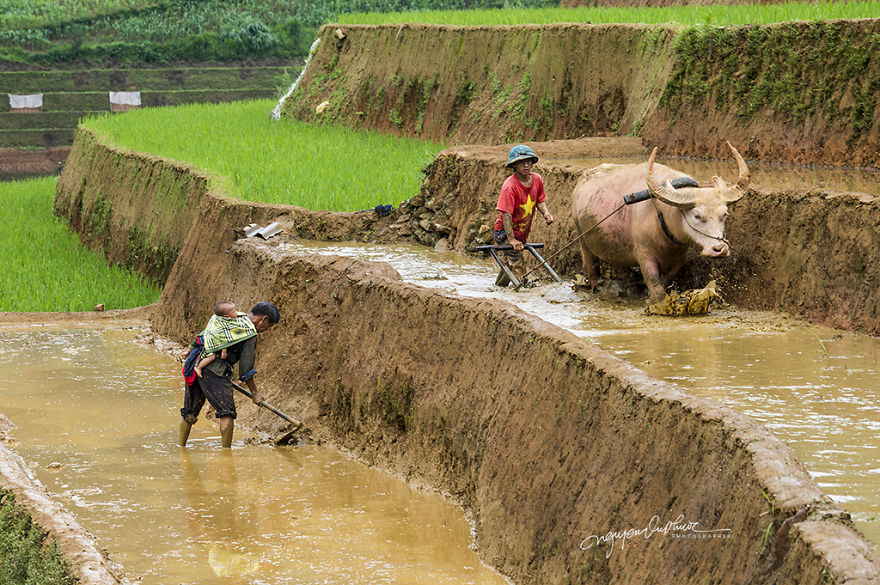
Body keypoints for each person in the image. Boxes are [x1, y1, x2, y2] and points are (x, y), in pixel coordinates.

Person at [179, 301, 281, 448]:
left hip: (195, 363)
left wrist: (189, 350)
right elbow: (246, 370)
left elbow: (205, 333)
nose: (266, 330)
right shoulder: (249, 333)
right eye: (268, 326)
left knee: (189, 414)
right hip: (215, 370)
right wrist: (255, 393)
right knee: (226, 413)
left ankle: (181, 449)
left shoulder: (230, 318)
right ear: (263, 319)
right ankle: (227, 458)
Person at [493, 144, 553, 286]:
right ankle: (524, 289)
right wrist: (511, 239)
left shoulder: (537, 179)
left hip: (520, 231)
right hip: (504, 232)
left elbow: (539, 200)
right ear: (514, 165)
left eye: (529, 161)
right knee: (517, 260)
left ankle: (499, 288)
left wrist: (546, 213)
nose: (526, 165)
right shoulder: (510, 186)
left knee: (509, 262)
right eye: (521, 162)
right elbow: (506, 214)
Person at [193, 301, 239, 379]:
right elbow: (223, 338)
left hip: (213, 338)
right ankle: (199, 367)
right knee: (212, 356)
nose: (236, 313)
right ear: (226, 316)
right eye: (234, 312)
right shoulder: (223, 325)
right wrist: (224, 351)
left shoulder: (217, 318)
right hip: (213, 341)